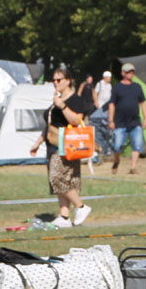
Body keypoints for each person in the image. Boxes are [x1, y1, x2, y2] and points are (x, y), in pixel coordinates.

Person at [29, 67, 93, 227]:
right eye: (54, 80)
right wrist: (38, 143)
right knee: (63, 181)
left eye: (59, 80)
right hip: (53, 144)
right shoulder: (56, 98)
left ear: (68, 81)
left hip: (68, 146)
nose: (55, 83)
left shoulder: (75, 99)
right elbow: (51, 125)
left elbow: (77, 120)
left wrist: (62, 106)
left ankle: (81, 207)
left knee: (57, 179)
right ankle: (64, 216)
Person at [108, 62, 146, 175]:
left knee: (138, 144)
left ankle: (133, 168)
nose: (131, 74)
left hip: (135, 122)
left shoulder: (137, 87)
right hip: (120, 122)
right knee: (117, 146)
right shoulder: (117, 88)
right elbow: (112, 104)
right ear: (123, 73)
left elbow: (143, 103)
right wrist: (111, 120)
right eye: (128, 72)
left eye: (132, 72)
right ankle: (117, 160)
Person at [91, 70, 115, 158]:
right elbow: (95, 93)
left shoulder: (110, 85)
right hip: (100, 107)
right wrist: (96, 102)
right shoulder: (100, 84)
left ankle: (106, 148)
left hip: (107, 108)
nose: (110, 79)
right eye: (109, 77)